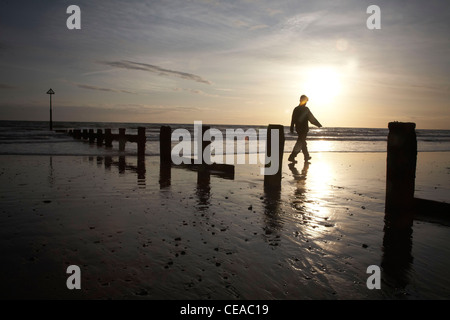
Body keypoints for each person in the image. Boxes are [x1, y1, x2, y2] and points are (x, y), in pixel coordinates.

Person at [288, 95, 322, 163]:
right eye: (305, 101)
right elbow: (311, 118)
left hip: (300, 129)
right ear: (301, 100)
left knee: (302, 142)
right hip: (302, 129)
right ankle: (293, 156)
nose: (306, 102)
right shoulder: (303, 109)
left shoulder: (297, 109)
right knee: (302, 142)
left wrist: (292, 127)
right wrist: (318, 124)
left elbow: (293, 119)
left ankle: (305, 156)